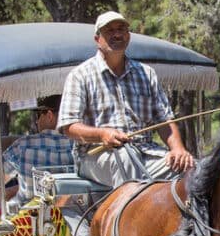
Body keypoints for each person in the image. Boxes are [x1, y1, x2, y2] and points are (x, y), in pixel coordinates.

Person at [57, 10, 195, 187]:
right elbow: (69, 127)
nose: (117, 34)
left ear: (128, 36)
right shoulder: (80, 76)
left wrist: (178, 149)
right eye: (109, 30)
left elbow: (164, 120)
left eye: (121, 29)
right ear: (97, 39)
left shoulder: (147, 74)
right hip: (95, 156)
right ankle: (131, 215)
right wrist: (102, 134)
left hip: (146, 153)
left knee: (193, 169)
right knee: (124, 159)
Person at [0, 94, 73, 216]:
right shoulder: (82, 145)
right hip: (73, 215)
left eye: (38, 115)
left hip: (28, 222)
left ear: (50, 116)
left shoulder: (23, 145)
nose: (37, 121)